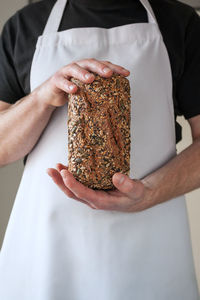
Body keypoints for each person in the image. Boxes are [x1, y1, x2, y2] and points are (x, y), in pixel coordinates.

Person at [0, 0, 200, 299]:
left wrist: (149, 192)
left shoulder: (180, 23)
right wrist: (42, 97)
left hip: (149, 240)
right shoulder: (26, 25)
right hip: (47, 245)